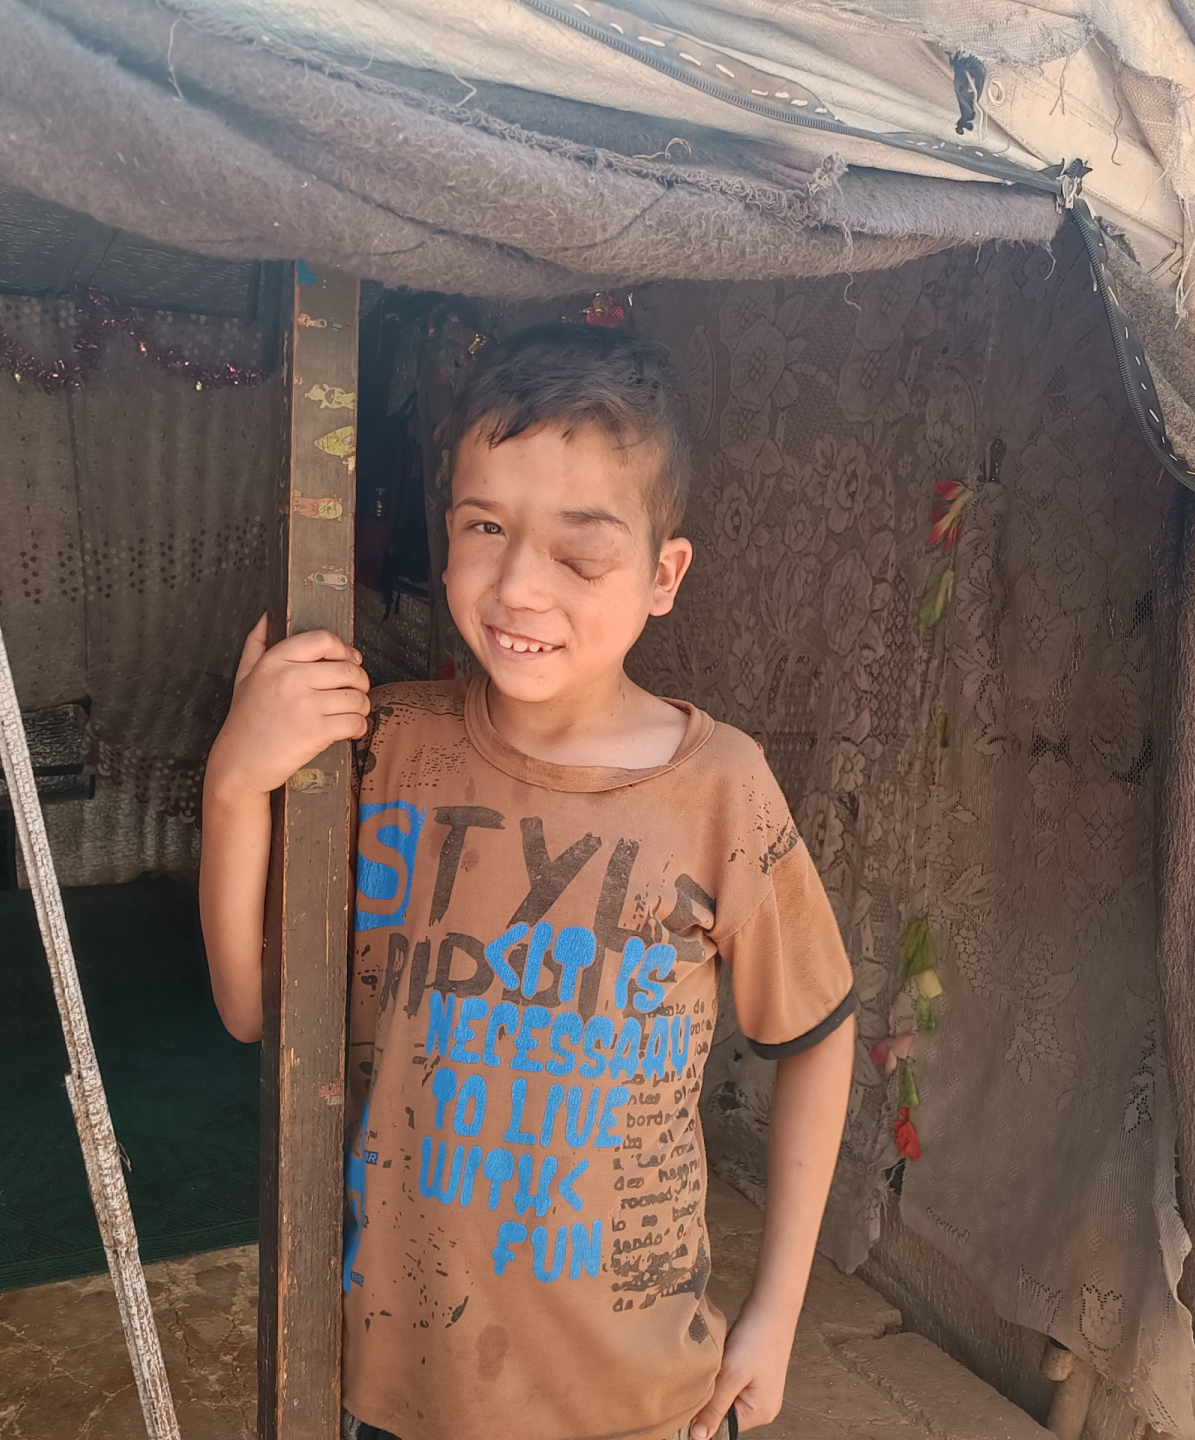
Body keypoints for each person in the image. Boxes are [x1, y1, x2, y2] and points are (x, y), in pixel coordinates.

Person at [200, 322, 856, 1440]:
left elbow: (819, 1035)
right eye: (485, 527)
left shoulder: (720, 790)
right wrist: (235, 782)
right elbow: (253, 1004)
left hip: (635, 1403)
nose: (518, 586)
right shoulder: (378, 749)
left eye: (579, 554)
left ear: (663, 576)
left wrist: (778, 1313)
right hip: (395, 1391)